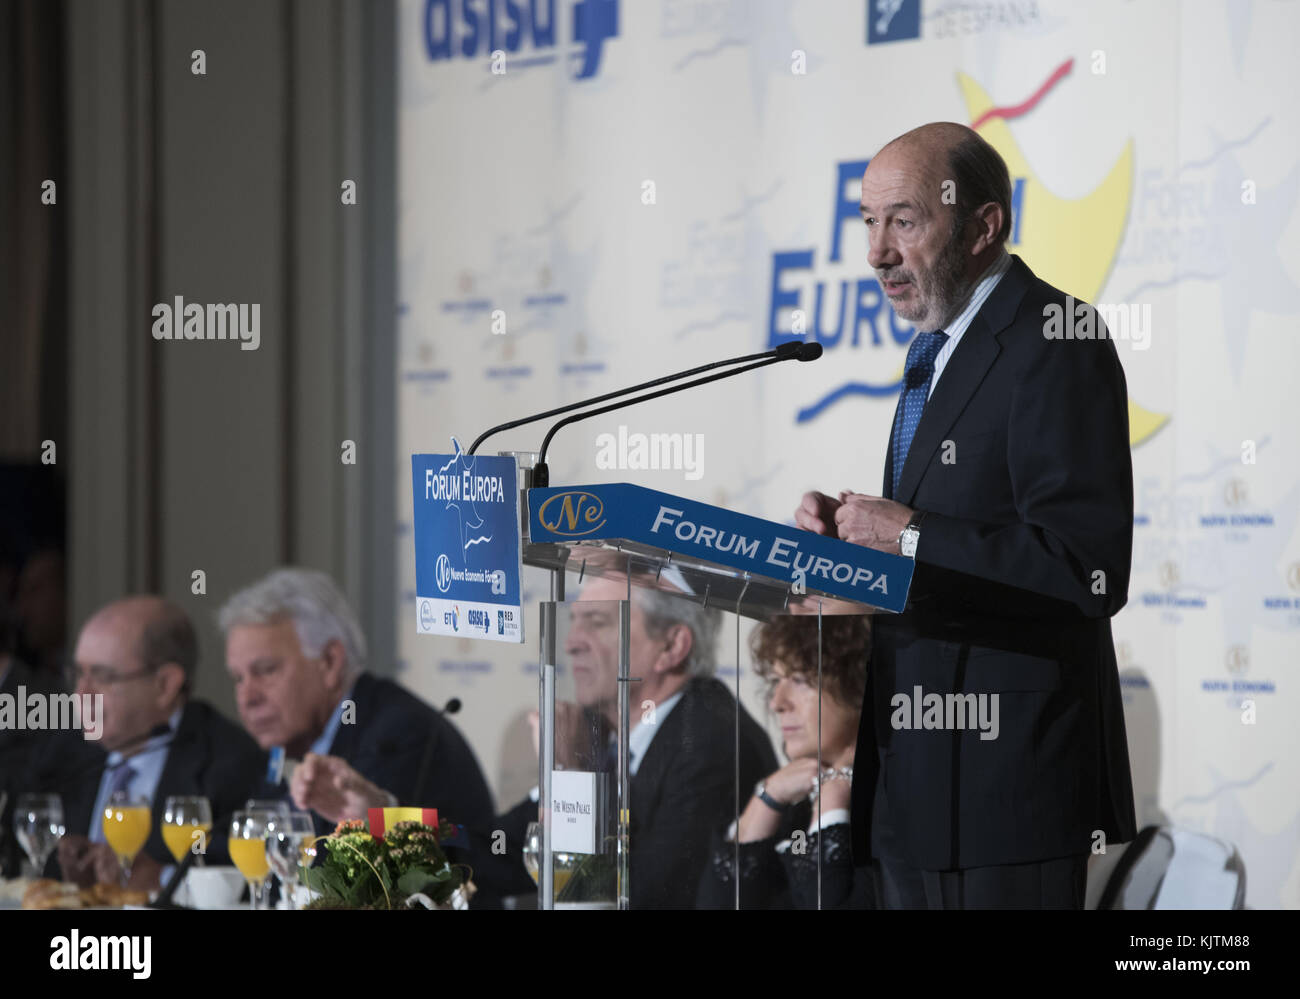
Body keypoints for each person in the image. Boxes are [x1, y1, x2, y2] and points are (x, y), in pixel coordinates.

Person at [794, 122, 1136, 909]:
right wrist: (847, 547)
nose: (877, 251)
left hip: (1004, 797)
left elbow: (1084, 566)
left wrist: (907, 533)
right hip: (910, 792)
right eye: (868, 222)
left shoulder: (1056, 338)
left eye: (904, 221)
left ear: (985, 226)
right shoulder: (936, 352)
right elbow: (939, 560)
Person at [499, 574, 779, 908]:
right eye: (574, 621)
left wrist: (570, 777)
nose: (571, 642)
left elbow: (639, 898)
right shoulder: (601, 730)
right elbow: (500, 856)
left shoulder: (712, 747)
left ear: (671, 646)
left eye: (597, 622)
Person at [219, 568, 500, 896]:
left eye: (265, 671)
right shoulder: (286, 749)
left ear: (330, 662)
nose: (247, 697)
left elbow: (340, 875)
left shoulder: (399, 735)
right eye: (238, 678)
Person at [31, 596, 263, 890]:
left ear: (165, 684)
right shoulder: (65, 749)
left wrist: (160, 879)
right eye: (78, 674)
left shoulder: (230, 762)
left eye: (103, 676)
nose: (81, 693)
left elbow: (245, 884)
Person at [697, 613, 874, 909]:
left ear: (856, 684)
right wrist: (768, 797)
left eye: (800, 680)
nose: (777, 702)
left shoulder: (888, 806)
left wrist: (832, 807)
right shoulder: (798, 803)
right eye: (776, 681)